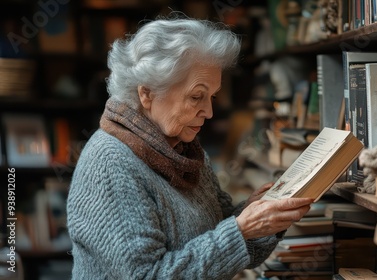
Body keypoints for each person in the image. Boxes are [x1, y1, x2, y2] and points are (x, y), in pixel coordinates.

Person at [66, 15, 314, 279]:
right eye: (197, 96)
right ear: (147, 93)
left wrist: (260, 217)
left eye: (212, 97)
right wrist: (240, 229)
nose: (208, 111)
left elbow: (225, 243)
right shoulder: (110, 164)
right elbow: (148, 275)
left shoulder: (184, 151)